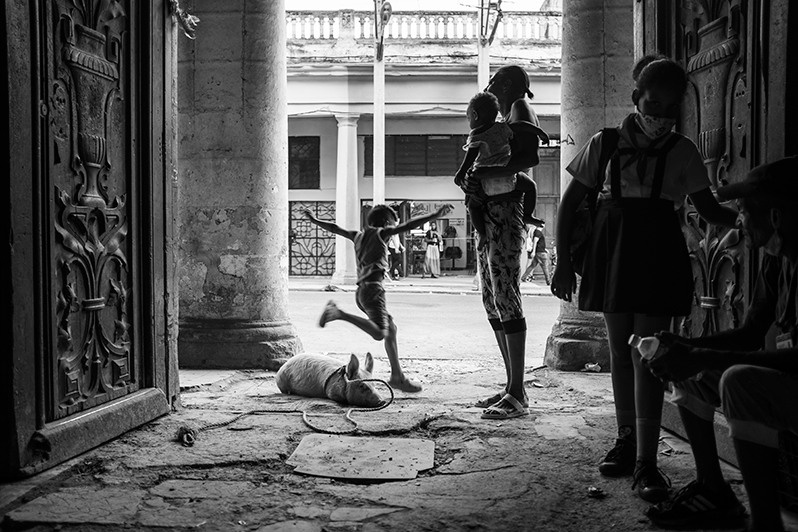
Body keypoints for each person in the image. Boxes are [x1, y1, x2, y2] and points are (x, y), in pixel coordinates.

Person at [550, 56, 738, 502]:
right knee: (620, 351)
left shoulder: (683, 151)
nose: (661, 115)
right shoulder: (604, 144)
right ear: (636, 98)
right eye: (653, 104)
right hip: (612, 249)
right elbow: (570, 203)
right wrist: (561, 262)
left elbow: (708, 209)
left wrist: (748, 218)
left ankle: (647, 463)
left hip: (658, 251)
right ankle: (627, 438)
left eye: (670, 108)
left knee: (648, 354)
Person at [644, 156, 798, 532]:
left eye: (744, 210)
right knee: (690, 371)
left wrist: (702, 356)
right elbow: (750, 333)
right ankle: (713, 489)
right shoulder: (776, 259)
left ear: (775, 217)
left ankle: (766, 524)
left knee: (739, 382)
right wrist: (688, 349)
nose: (738, 221)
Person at [304, 204, 452, 392]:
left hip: (362, 292)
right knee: (380, 333)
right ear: (386, 223)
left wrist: (315, 220)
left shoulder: (357, 235)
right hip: (373, 291)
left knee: (391, 329)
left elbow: (335, 228)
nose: (394, 228)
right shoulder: (381, 234)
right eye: (393, 224)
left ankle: (397, 377)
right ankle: (338, 313)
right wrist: (435, 214)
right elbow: (408, 225)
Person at [468, 65, 546, 420]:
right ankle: (512, 385)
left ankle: (517, 392)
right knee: (493, 300)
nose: (490, 90)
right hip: (492, 213)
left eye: (493, 84)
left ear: (507, 84)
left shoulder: (519, 108)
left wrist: (482, 172)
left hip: (504, 213)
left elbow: (528, 158)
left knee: (506, 298)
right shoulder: (508, 115)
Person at [454, 91, 545, 248]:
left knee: (472, 205)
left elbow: (470, 157)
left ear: (475, 115)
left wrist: (460, 173)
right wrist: (539, 132)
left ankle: (482, 233)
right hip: (508, 177)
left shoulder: (476, 135)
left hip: (484, 180)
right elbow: (521, 125)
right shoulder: (503, 128)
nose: (469, 122)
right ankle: (528, 215)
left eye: (468, 118)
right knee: (531, 186)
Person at [521, 220, 551, 285]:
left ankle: (523, 277)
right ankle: (548, 281)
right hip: (540, 253)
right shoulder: (538, 232)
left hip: (539, 252)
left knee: (532, 265)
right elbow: (535, 242)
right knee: (545, 267)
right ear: (542, 225)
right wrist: (533, 251)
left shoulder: (536, 232)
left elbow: (539, 243)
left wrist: (544, 249)